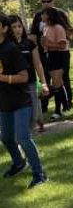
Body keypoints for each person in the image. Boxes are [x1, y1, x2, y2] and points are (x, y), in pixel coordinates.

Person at [0, 12, 47, 188]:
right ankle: (19, 163)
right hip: (4, 102)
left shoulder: (11, 49)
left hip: (21, 100)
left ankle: (39, 174)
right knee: (6, 138)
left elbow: (24, 76)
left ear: (4, 28)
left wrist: (3, 78)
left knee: (23, 137)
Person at [30, 0, 73, 118]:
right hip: (46, 54)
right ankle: (46, 107)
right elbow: (33, 36)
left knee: (61, 81)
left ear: (53, 1)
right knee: (47, 80)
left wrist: (49, 44)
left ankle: (64, 105)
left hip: (60, 55)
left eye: (48, 1)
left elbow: (65, 37)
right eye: (43, 1)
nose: (46, 4)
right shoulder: (38, 17)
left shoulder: (60, 16)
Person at [9, 15, 49, 132]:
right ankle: (23, 138)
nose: (17, 29)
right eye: (14, 27)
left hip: (30, 84)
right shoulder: (7, 46)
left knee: (34, 114)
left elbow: (38, 64)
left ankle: (27, 135)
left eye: (19, 26)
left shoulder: (30, 43)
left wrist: (44, 83)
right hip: (13, 86)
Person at [42, 7, 72, 115]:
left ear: (49, 15)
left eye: (44, 14)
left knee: (57, 84)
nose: (42, 16)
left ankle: (58, 110)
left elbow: (62, 45)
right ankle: (66, 106)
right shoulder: (46, 27)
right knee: (57, 84)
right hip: (50, 56)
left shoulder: (58, 28)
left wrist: (48, 44)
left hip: (59, 56)